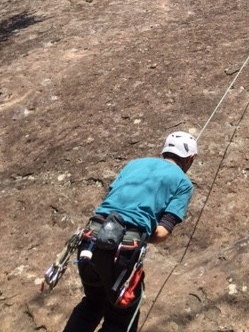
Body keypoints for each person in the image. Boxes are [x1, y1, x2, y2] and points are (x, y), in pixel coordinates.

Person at [63, 131, 198, 332]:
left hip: (90, 238)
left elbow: (112, 198)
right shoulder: (183, 183)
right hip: (123, 252)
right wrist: (139, 235)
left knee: (92, 303)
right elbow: (162, 233)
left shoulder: (134, 164)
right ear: (190, 159)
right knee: (120, 317)